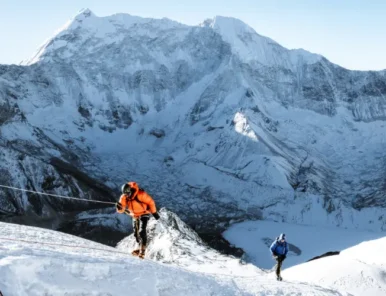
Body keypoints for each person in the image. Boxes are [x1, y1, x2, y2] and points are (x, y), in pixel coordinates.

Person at [116, 182, 160, 259]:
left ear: (131, 190)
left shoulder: (140, 194)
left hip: (144, 213)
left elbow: (151, 202)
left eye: (128, 193)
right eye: (125, 194)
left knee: (142, 231)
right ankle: (139, 248)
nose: (127, 195)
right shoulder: (124, 197)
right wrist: (119, 208)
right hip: (134, 215)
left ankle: (142, 251)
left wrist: (154, 213)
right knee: (136, 234)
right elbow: (122, 209)